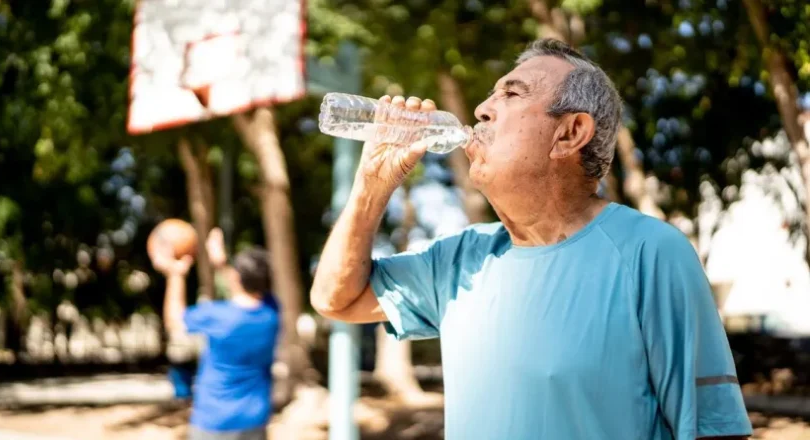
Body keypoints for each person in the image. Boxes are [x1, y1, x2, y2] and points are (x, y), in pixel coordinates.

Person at [310, 39, 752, 440]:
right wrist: (372, 186)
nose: (483, 108)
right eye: (491, 93)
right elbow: (336, 300)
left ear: (570, 133)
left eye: (512, 93)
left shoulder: (650, 253)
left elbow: (717, 431)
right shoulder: (460, 258)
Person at [152, 228, 279, 440]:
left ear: (238, 278)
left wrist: (176, 274)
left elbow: (175, 320)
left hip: (214, 421)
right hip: (255, 418)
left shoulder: (218, 316)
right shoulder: (272, 312)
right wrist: (221, 263)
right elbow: (245, 287)